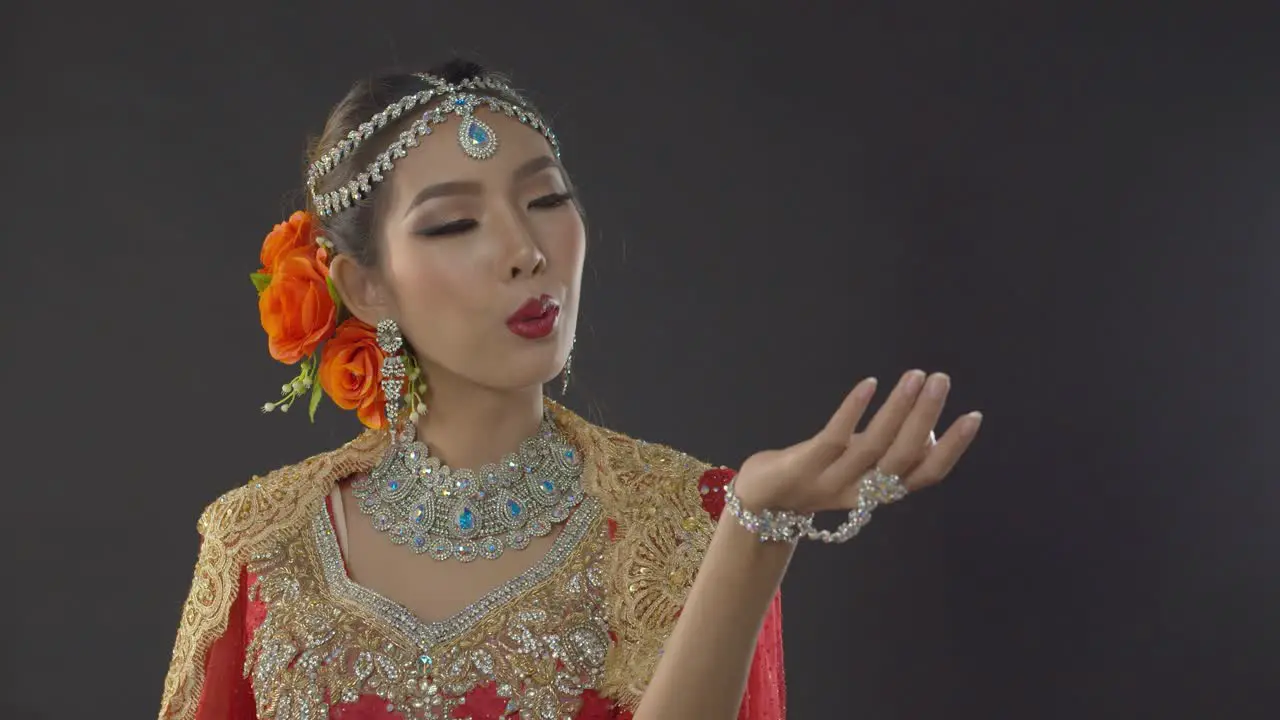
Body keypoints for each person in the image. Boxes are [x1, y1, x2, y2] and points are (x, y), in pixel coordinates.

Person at [157, 58, 982, 720]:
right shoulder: (260, 546)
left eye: (547, 200)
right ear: (366, 288)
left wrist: (758, 528)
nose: (526, 250)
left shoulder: (691, 521)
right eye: (454, 224)